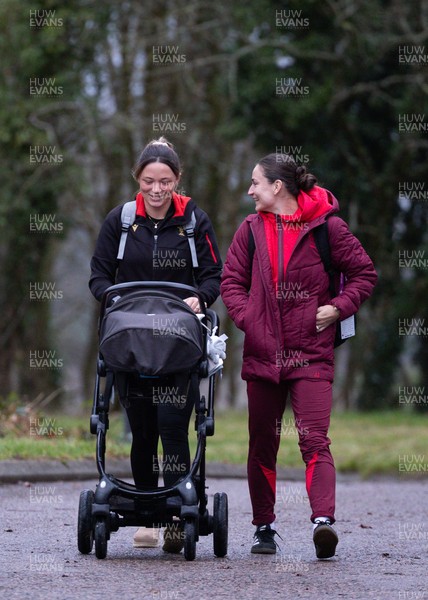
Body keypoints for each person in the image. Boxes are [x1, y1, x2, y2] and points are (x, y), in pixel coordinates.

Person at [220, 153, 377, 559]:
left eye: (255, 183)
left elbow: (364, 274)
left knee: (314, 441)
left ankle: (323, 523)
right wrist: (249, 319)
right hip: (261, 353)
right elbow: (231, 281)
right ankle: (264, 527)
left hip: (311, 353)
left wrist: (340, 306)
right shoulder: (250, 230)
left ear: (277, 187)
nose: (250, 190)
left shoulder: (329, 228)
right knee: (262, 445)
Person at [89, 137, 222, 552]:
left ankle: (177, 516)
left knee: (173, 426)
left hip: (178, 343)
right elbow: (98, 277)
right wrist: (116, 299)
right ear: (138, 180)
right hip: (130, 342)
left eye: (165, 181)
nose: (157, 189)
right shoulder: (121, 220)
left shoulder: (195, 221)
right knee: (142, 430)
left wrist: (201, 297)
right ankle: (147, 516)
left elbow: (214, 276)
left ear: (178, 180)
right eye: (149, 181)